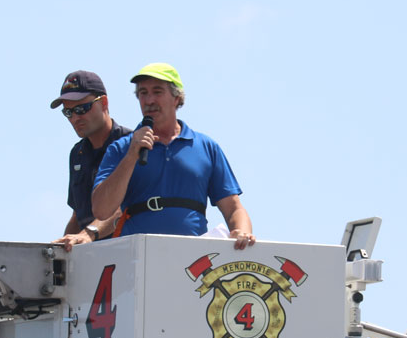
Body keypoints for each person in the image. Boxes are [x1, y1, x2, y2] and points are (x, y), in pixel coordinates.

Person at [92, 62, 255, 249]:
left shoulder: (206, 147)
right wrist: (131, 156)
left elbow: (233, 208)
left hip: (192, 262)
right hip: (137, 258)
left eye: (157, 91)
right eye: (143, 93)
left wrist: (242, 232)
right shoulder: (121, 148)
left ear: (176, 98)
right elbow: (102, 210)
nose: (149, 100)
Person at [50, 70, 132, 252]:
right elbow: (77, 216)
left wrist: (88, 234)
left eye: (81, 109)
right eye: (68, 112)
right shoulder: (77, 153)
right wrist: (57, 253)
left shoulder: (132, 145)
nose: (75, 118)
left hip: (127, 254)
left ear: (104, 103)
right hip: (91, 259)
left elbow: (125, 206)